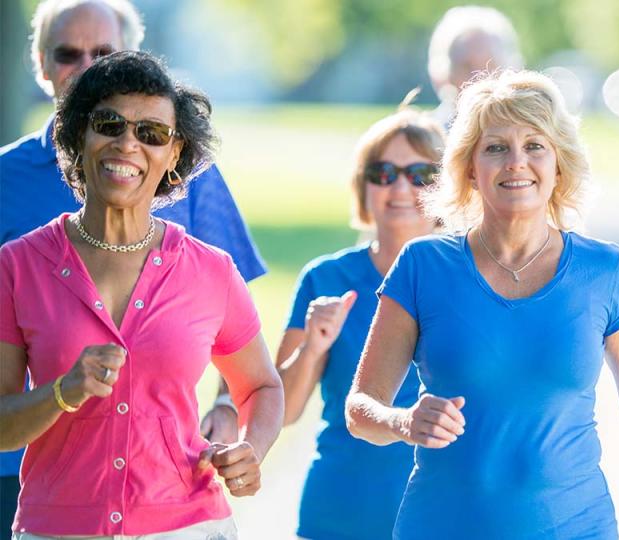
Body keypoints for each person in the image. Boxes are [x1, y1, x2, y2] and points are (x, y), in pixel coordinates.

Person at [345, 70, 619, 539]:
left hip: (576, 528)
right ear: (470, 167)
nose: (516, 162)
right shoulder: (423, 265)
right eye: (496, 147)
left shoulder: (606, 271)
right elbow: (360, 409)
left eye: (535, 145)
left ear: (559, 164)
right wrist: (404, 420)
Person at [0, 2, 265, 531]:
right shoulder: (16, 251)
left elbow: (253, 371)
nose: (128, 144)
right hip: (47, 499)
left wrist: (238, 429)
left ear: (175, 154)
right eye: (108, 124)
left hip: (184, 516)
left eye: (151, 134)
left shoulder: (205, 237)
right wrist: (60, 391)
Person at [276, 104, 443, 539]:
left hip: (442, 515)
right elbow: (281, 411)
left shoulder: (472, 279)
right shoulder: (325, 279)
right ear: (363, 186)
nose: (401, 187)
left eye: (420, 174)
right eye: (383, 172)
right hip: (338, 514)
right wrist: (312, 347)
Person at [427, 5, 523, 128]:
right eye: (467, 67)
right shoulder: (428, 139)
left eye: (490, 67)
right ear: (445, 74)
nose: (479, 79)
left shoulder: (526, 134)